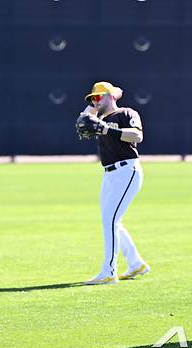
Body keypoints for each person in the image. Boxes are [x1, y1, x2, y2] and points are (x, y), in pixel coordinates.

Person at [81, 81, 150, 285]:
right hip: (109, 174)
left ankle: (109, 271)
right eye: (93, 98)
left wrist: (107, 129)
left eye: (99, 96)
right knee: (110, 221)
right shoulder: (99, 118)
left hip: (127, 170)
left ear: (110, 96)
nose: (95, 100)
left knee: (110, 220)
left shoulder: (126, 113)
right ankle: (136, 263)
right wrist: (95, 106)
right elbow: (83, 119)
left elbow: (137, 135)